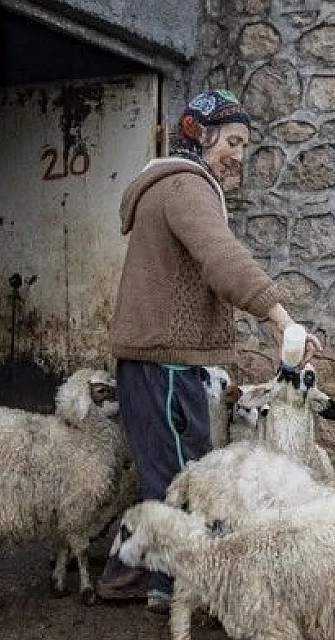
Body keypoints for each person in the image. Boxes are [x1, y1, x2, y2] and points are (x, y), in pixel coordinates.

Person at [97, 89, 317, 612]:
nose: (239, 154)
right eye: (233, 141)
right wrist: (279, 317)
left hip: (154, 359)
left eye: (245, 144)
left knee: (163, 472)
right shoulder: (186, 186)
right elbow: (223, 259)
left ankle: (126, 573)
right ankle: (176, 586)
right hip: (166, 361)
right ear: (200, 132)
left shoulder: (173, 185)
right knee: (186, 478)